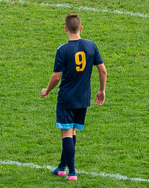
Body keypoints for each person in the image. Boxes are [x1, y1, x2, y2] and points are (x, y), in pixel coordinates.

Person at [41, 13, 107, 182]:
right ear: (81, 28)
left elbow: (56, 77)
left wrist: (47, 91)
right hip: (83, 98)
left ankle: (72, 172)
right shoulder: (91, 46)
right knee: (72, 131)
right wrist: (101, 90)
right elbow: (103, 70)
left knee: (66, 134)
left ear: (65, 28)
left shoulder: (62, 50)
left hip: (66, 98)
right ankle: (62, 167)